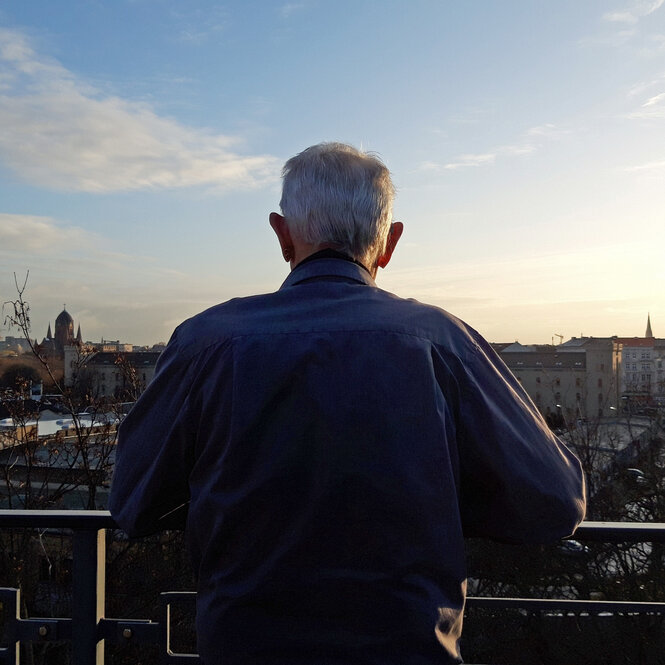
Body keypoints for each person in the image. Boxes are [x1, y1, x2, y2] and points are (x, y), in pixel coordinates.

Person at [110, 142, 586, 665]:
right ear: (391, 242)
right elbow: (555, 503)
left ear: (281, 233)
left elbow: (133, 502)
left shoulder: (206, 341)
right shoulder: (440, 340)